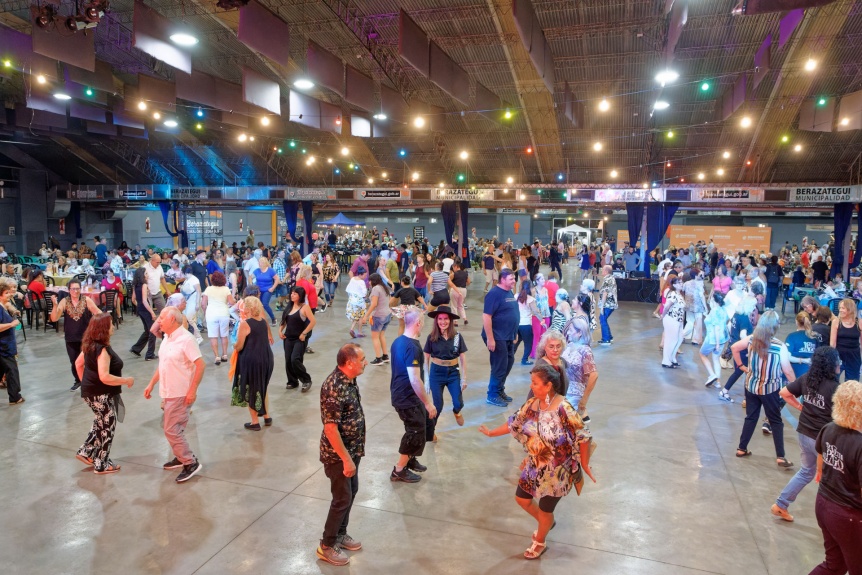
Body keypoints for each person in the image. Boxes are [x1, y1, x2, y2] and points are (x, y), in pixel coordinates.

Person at [478, 365, 595, 560]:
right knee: (522, 499)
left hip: (557, 471)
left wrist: (584, 464)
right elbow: (514, 422)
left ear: (548, 386)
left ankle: (540, 541)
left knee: (545, 509)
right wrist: (491, 433)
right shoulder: (532, 404)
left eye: (535, 383)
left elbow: (583, 435)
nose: (531, 387)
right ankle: (546, 522)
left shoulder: (563, 408)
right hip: (535, 464)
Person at [769, 347, 841, 522]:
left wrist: (802, 408)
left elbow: (784, 393)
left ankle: (781, 504)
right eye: (837, 360)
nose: (840, 363)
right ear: (831, 364)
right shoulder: (834, 388)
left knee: (806, 472)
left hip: (804, 433)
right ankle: (832, 519)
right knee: (831, 479)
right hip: (822, 440)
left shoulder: (807, 379)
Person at [316, 343, 368, 567]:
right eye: (363, 359)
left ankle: (340, 534)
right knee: (342, 498)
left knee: (351, 491)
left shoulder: (350, 379)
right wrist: (346, 459)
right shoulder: (333, 386)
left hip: (352, 449)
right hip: (338, 455)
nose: (366, 362)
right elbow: (330, 429)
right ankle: (326, 545)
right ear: (350, 363)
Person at [143, 307, 205, 483]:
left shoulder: (186, 340)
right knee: (175, 428)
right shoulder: (167, 339)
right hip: (168, 391)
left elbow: (201, 365)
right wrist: (151, 384)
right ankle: (180, 456)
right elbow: (162, 365)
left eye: (162, 318)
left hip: (180, 392)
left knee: (171, 429)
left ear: (172, 320)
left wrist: (192, 391)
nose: (159, 321)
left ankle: (190, 462)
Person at [808, 379, 862, 574]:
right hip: (846, 515)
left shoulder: (828, 428)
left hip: (823, 503)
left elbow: (820, 466)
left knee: (835, 565)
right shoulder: (859, 443)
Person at [732, 310, 796, 467]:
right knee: (775, 421)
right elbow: (787, 371)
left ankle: (742, 448)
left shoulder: (751, 340)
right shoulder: (779, 346)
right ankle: (780, 456)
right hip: (770, 389)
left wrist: (741, 366)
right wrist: (795, 386)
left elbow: (734, 347)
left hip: (751, 386)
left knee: (751, 418)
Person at [73, 312, 134, 474]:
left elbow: (78, 364)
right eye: (111, 324)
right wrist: (126, 380)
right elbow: (105, 377)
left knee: (100, 422)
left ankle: (86, 451)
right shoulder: (102, 349)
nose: (113, 327)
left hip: (91, 393)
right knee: (107, 425)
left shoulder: (89, 344)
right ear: (104, 328)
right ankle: (102, 463)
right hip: (99, 393)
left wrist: (87, 385)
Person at [389, 307, 436, 483]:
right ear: (418, 323)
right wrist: (428, 403)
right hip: (406, 398)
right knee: (415, 431)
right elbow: (415, 380)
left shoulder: (398, 341)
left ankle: (410, 459)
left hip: (404, 395)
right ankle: (398, 470)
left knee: (421, 425)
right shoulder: (412, 347)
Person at [423, 306, 468, 440]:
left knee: (458, 403)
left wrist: (464, 378)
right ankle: (430, 432)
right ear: (436, 321)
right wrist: (426, 379)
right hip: (436, 374)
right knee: (437, 405)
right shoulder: (431, 337)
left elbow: (463, 359)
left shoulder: (457, 337)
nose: (443, 322)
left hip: (453, 373)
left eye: (446, 319)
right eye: (440, 319)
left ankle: (456, 412)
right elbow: (425, 359)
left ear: (451, 320)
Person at [231, 296, 275, 430]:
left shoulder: (246, 323)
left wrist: (234, 345)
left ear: (248, 308)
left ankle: (255, 422)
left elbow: (239, 346)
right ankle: (266, 416)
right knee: (262, 387)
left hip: (252, 361)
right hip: (266, 358)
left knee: (251, 388)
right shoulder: (262, 322)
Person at [49, 279, 101, 391]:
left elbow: (99, 313)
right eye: (73, 289)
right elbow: (54, 318)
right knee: (74, 361)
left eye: (78, 288)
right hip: (70, 337)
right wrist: (54, 305)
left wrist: (95, 328)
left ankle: (90, 381)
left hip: (86, 337)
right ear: (69, 290)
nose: (76, 291)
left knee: (88, 360)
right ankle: (78, 381)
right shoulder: (64, 301)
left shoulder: (86, 300)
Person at [483, 268, 520, 407]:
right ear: (502, 279)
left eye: (514, 278)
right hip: (497, 336)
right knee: (499, 366)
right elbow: (486, 316)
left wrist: (514, 332)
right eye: (511, 279)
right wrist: (490, 338)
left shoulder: (508, 291)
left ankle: (499, 390)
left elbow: (512, 312)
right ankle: (492, 394)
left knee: (508, 363)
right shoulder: (494, 294)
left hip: (508, 336)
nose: (514, 281)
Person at [280, 286, 316, 392]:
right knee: (288, 361)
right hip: (288, 338)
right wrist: (280, 330)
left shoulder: (305, 307)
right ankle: (292, 381)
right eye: (291, 293)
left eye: (295, 294)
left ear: (300, 296)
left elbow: (313, 321)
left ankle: (306, 380)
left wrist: (304, 333)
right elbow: (284, 321)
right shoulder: (289, 307)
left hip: (299, 339)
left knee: (295, 359)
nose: (292, 295)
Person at [561, 317, 597, 421]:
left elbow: (594, 375)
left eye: (571, 330)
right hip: (564, 391)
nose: (567, 333)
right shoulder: (570, 345)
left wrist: (584, 400)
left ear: (579, 333)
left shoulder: (585, 351)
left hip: (575, 394)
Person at [202, 271, 236, 366]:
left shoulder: (208, 289)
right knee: (224, 335)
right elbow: (231, 302)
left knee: (213, 336)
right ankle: (224, 355)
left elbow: (203, 303)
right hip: (223, 314)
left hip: (211, 314)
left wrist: (205, 312)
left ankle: (217, 356)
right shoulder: (226, 289)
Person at [0, 278, 24, 405]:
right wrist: (12, 324)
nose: (10, 294)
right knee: (12, 370)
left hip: (6, 345)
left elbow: (9, 305)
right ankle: (15, 397)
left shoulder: (4, 306)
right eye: (6, 293)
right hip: (4, 347)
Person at [700, 292, 729, 388]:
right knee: (716, 359)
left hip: (713, 339)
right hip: (723, 338)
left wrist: (716, 343)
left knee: (702, 354)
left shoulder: (714, 311)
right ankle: (718, 382)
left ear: (714, 300)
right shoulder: (723, 310)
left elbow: (716, 327)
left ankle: (712, 375)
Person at [362, 273, 392, 366]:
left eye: (370, 281)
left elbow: (374, 304)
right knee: (381, 336)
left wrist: (366, 316)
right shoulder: (384, 287)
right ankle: (385, 356)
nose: (369, 283)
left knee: (375, 337)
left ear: (373, 281)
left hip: (378, 316)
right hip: (387, 314)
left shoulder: (375, 289)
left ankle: (378, 358)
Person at [830, 298, 862, 381]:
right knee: (832, 381)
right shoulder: (836, 322)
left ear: (850, 309)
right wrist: (832, 359)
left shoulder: (860, 322)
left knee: (852, 384)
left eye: (843, 308)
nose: (840, 310)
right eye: (839, 308)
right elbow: (832, 344)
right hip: (839, 356)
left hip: (854, 357)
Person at [130, 267, 157, 361]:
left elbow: (133, 299)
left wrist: (139, 305)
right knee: (153, 331)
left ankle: (135, 349)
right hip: (145, 310)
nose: (147, 275)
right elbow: (145, 301)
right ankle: (150, 354)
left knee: (147, 331)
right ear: (142, 275)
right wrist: (152, 312)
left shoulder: (135, 285)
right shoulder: (144, 285)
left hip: (140, 310)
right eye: (146, 273)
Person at [514, 281, 544, 366]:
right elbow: (536, 312)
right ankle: (524, 359)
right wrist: (542, 320)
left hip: (517, 324)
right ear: (530, 288)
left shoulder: (516, 296)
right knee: (528, 343)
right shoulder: (530, 299)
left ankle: (510, 357)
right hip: (526, 324)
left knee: (517, 341)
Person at [661, 275, 686, 369]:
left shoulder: (679, 294)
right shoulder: (673, 294)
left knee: (679, 339)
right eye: (680, 283)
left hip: (678, 320)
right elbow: (667, 306)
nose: (682, 284)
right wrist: (663, 315)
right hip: (671, 319)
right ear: (674, 285)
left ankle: (672, 358)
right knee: (671, 340)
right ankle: (666, 361)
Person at [786, 312, 820, 377]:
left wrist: (802, 360)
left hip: (796, 371)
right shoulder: (815, 336)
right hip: (812, 372)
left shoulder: (791, 337)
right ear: (809, 321)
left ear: (796, 322)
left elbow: (788, 357)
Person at [253, 257, 280, 326]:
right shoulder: (257, 270)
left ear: (265, 263)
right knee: (258, 305)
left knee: (265, 304)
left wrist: (273, 288)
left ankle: (273, 318)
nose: (259, 264)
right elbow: (250, 277)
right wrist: (252, 285)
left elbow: (277, 279)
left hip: (267, 290)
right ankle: (259, 319)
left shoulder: (270, 270)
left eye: (261, 262)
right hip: (258, 290)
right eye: (259, 262)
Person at [180, 265, 203, 343]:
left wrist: (197, 304)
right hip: (188, 302)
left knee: (190, 319)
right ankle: (192, 335)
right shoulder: (187, 279)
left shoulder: (194, 280)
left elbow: (199, 291)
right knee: (187, 319)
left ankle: (198, 336)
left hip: (193, 302)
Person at [597, 265, 618, 345]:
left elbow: (605, 293)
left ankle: (606, 339)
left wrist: (601, 307)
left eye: (602, 270)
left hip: (607, 304)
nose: (602, 271)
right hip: (611, 303)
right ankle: (609, 336)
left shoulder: (607, 280)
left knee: (602, 319)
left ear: (606, 271)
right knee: (603, 319)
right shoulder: (611, 278)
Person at [345, 267, 368, 339]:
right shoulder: (361, 282)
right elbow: (364, 293)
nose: (366, 276)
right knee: (360, 316)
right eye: (365, 275)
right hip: (359, 302)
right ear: (361, 274)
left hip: (351, 300)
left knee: (356, 316)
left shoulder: (353, 279)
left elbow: (348, 289)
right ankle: (360, 332)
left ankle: (352, 329)